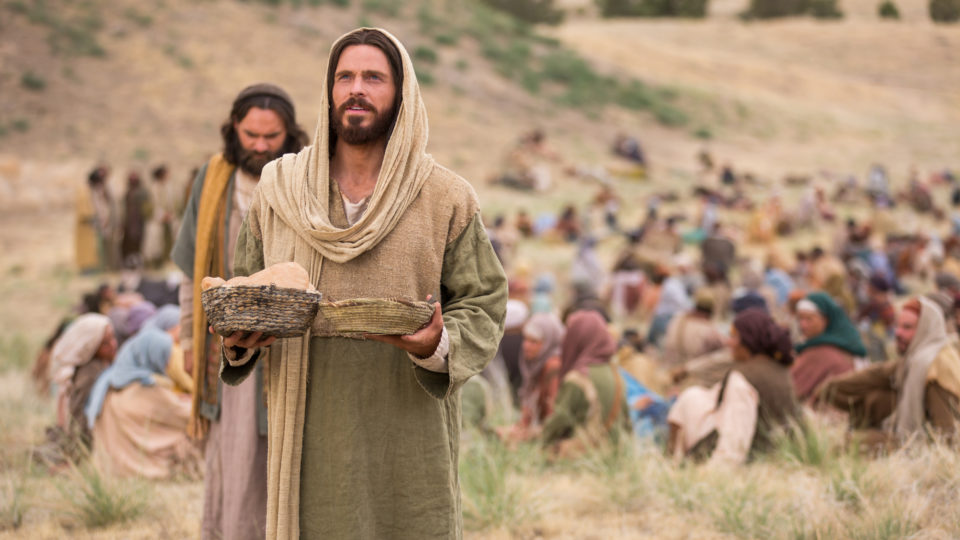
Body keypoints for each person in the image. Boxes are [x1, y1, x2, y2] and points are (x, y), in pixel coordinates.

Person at [217, 29, 508, 538]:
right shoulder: (279, 189)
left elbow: (483, 301)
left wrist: (438, 343)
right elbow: (246, 288)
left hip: (407, 429)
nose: (357, 89)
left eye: (374, 77)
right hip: (308, 427)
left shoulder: (444, 197)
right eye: (344, 77)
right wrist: (239, 341)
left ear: (402, 93)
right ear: (328, 91)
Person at [171, 82, 308, 540]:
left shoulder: (307, 176)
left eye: (272, 136)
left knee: (289, 451)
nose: (261, 145)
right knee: (237, 452)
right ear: (235, 128)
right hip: (227, 341)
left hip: (293, 340)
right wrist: (190, 338)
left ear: (288, 134)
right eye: (252, 135)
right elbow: (194, 269)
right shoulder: (212, 181)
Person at [819, 298, 960, 450]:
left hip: (921, 447)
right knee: (874, 399)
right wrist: (827, 389)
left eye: (907, 327)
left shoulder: (935, 366)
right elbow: (877, 374)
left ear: (925, 330)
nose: (898, 333)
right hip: (910, 438)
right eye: (897, 326)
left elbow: (947, 437)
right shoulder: (917, 357)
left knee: (846, 445)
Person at [667, 309, 802, 465]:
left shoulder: (742, 377)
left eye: (735, 336)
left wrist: (714, 476)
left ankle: (674, 465)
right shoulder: (780, 370)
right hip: (780, 454)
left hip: (755, 457)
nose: (728, 342)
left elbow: (735, 439)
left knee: (688, 399)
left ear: (750, 339)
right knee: (693, 396)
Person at [85, 319, 198, 479]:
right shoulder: (146, 389)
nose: (167, 363)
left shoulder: (111, 384)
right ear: (151, 357)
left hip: (113, 467)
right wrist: (194, 400)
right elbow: (186, 415)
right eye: (164, 357)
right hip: (143, 466)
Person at [539, 310, 626, 456]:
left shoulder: (578, 378)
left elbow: (560, 420)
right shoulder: (616, 375)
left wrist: (540, 442)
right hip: (612, 455)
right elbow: (625, 424)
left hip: (581, 456)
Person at [47, 314, 118, 453]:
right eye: (105, 343)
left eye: (113, 338)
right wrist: (78, 451)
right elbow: (78, 417)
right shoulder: (91, 373)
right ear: (91, 346)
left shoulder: (103, 364)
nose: (113, 345)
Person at [790, 292, 865, 403]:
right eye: (800, 319)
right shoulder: (844, 343)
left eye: (809, 319)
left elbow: (793, 390)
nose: (803, 325)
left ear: (825, 320)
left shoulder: (819, 351)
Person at [661, 289, 725, 366]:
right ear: (711, 310)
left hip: (668, 367)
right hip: (690, 373)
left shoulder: (677, 318)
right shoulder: (708, 330)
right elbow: (724, 348)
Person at [75, 165, 114, 273]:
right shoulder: (83, 191)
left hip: (93, 225)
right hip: (85, 226)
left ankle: (94, 267)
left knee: (93, 249)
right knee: (85, 248)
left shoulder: (92, 191)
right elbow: (83, 210)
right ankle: (85, 269)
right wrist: (93, 219)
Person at [142, 164, 181, 268]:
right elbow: (148, 206)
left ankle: (169, 262)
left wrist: (170, 214)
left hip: (170, 220)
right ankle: (155, 265)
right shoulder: (152, 189)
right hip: (156, 220)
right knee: (155, 244)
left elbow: (175, 204)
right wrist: (161, 215)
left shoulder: (171, 188)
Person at [120, 171, 153, 268]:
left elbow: (147, 208)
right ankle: (131, 263)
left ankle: (138, 263)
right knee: (129, 244)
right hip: (129, 222)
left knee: (138, 243)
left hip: (139, 222)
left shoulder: (142, 192)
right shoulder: (128, 192)